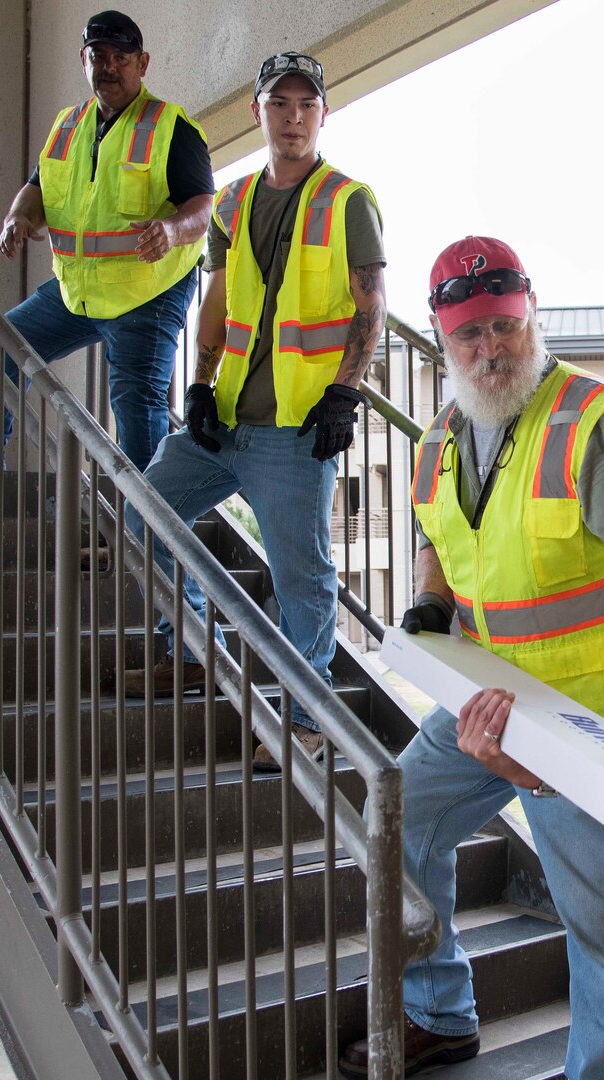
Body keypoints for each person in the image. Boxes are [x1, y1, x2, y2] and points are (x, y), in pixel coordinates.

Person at [339, 237, 604, 1079]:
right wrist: (431, 598)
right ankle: (441, 1010)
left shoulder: (595, 422)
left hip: (590, 721)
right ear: (440, 335)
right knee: (395, 826)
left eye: (502, 326)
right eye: (468, 335)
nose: (489, 348)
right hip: (488, 707)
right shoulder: (439, 440)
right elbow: (437, 533)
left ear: (530, 315)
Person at [118, 52, 386, 770]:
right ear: (258, 112)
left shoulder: (347, 199)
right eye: (279, 104)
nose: (292, 117)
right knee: (139, 511)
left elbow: (371, 304)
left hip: (295, 430)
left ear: (323, 114)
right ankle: (194, 650)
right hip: (225, 418)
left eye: (306, 105)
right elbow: (217, 301)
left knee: (303, 578)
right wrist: (199, 386)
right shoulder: (233, 202)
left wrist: (344, 392)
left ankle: (308, 720)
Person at [0, 10, 212, 474]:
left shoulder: (171, 127)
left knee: (136, 400)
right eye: (98, 56)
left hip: (146, 292)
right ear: (83, 60)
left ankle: (146, 535)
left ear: (143, 63)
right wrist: (17, 217)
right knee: (8, 345)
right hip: (78, 292)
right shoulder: (68, 126)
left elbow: (202, 208)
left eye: (121, 58)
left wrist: (170, 231)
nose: (108, 67)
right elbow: (38, 187)